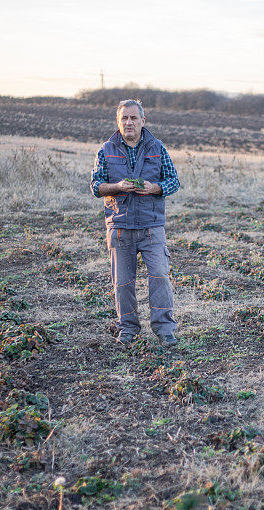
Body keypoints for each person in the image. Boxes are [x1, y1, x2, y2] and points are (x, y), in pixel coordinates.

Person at [90, 99, 180, 346]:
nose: (129, 122)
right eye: (124, 119)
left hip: (151, 226)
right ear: (118, 122)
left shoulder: (157, 147)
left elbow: (173, 180)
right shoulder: (106, 149)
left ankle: (164, 329)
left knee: (160, 276)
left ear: (143, 121)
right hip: (120, 226)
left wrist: (156, 188)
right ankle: (128, 328)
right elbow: (96, 186)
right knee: (123, 282)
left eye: (133, 118)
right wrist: (117, 187)